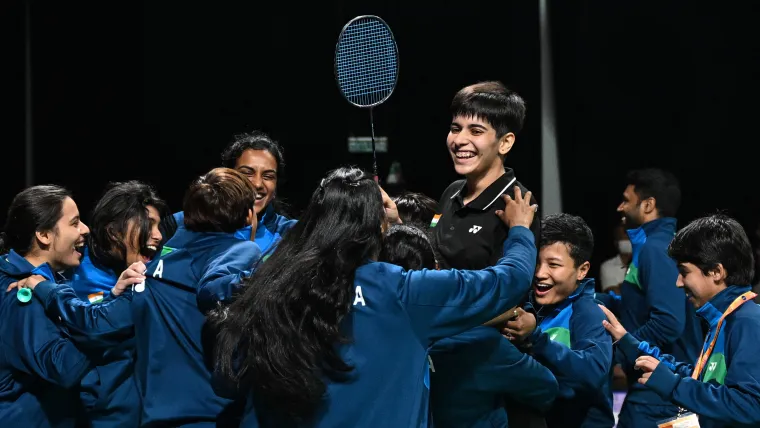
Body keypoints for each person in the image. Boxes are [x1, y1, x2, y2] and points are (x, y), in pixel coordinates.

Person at [212, 166, 539, 427]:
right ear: (378, 228)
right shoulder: (402, 292)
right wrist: (521, 231)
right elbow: (507, 281)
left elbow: (227, 378)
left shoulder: (275, 283)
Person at [600, 214, 760, 427]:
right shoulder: (724, 321)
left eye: (684, 272)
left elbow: (750, 405)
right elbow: (696, 378)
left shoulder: (748, 323)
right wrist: (630, 344)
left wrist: (674, 386)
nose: (677, 282)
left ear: (716, 272)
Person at [131, 168, 262, 427]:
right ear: (248, 215)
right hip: (211, 416)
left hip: (153, 414)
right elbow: (212, 291)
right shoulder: (242, 251)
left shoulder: (160, 257)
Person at [504, 213, 614, 427]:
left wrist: (535, 337)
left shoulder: (589, 313)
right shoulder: (525, 306)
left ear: (582, 270)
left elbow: (592, 374)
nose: (540, 273)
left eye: (553, 265)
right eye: (536, 262)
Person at [613, 168, 703, 427]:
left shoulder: (656, 249)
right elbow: (645, 307)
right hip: (659, 387)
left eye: (626, 200)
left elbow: (669, 321)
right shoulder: (657, 246)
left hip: (656, 392)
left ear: (648, 205)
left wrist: (622, 349)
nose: (620, 207)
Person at [0, 185, 92, 427]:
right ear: (44, 235)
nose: (85, 229)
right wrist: (107, 321)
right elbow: (65, 368)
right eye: (74, 223)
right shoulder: (21, 292)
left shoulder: (43, 281)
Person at [432, 81, 540, 271]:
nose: (459, 140)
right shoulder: (452, 191)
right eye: (456, 129)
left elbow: (504, 286)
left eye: (476, 131)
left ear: (505, 143)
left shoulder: (518, 206)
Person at [173, 131, 297, 256]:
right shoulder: (182, 222)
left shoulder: (291, 234)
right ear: (228, 176)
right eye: (247, 173)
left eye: (268, 176)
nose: (258, 184)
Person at [71, 181, 170, 303]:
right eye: (148, 225)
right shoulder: (81, 279)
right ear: (114, 232)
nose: (159, 236)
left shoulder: (166, 259)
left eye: (158, 227)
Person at [599, 223, 632, 294]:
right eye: (623, 238)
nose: (627, 240)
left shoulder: (644, 262)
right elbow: (613, 293)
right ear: (616, 243)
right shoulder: (607, 266)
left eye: (629, 238)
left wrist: (621, 287)